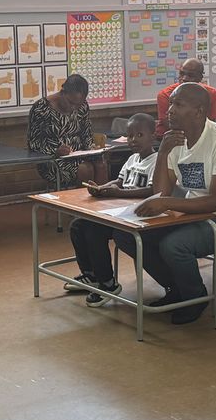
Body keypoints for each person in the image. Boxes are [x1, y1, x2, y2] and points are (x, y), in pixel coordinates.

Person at [136, 83, 216, 324]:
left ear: (199, 111)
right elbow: (161, 193)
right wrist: (163, 153)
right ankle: (176, 289)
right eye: (171, 103)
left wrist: (167, 203)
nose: (170, 110)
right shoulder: (174, 140)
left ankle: (195, 297)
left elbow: (215, 202)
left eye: (178, 104)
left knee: (174, 245)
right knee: (132, 236)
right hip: (193, 216)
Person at [66, 113, 158, 305]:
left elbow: (152, 191)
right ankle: (91, 275)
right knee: (78, 225)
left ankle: (108, 283)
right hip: (120, 212)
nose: (133, 140)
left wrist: (118, 193)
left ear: (153, 136)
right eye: (130, 136)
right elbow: (119, 181)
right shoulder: (132, 159)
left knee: (93, 229)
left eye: (139, 135)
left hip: (139, 215)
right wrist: (102, 188)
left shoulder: (157, 161)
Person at [28, 74, 101, 188]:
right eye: (71, 103)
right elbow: (34, 144)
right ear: (63, 92)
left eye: (78, 104)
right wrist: (55, 151)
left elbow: (86, 133)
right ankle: (82, 199)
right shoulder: (41, 108)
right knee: (85, 169)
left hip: (80, 155)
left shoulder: (82, 106)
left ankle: (102, 197)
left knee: (101, 164)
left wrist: (92, 148)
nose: (74, 108)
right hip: (54, 160)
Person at [155, 58, 216, 136]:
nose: (184, 78)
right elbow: (171, 126)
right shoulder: (165, 95)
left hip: (201, 135)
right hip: (170, 136)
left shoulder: (211, 94)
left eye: (190, 75)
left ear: (200, 77)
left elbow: (211, 125)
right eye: (181, 74)